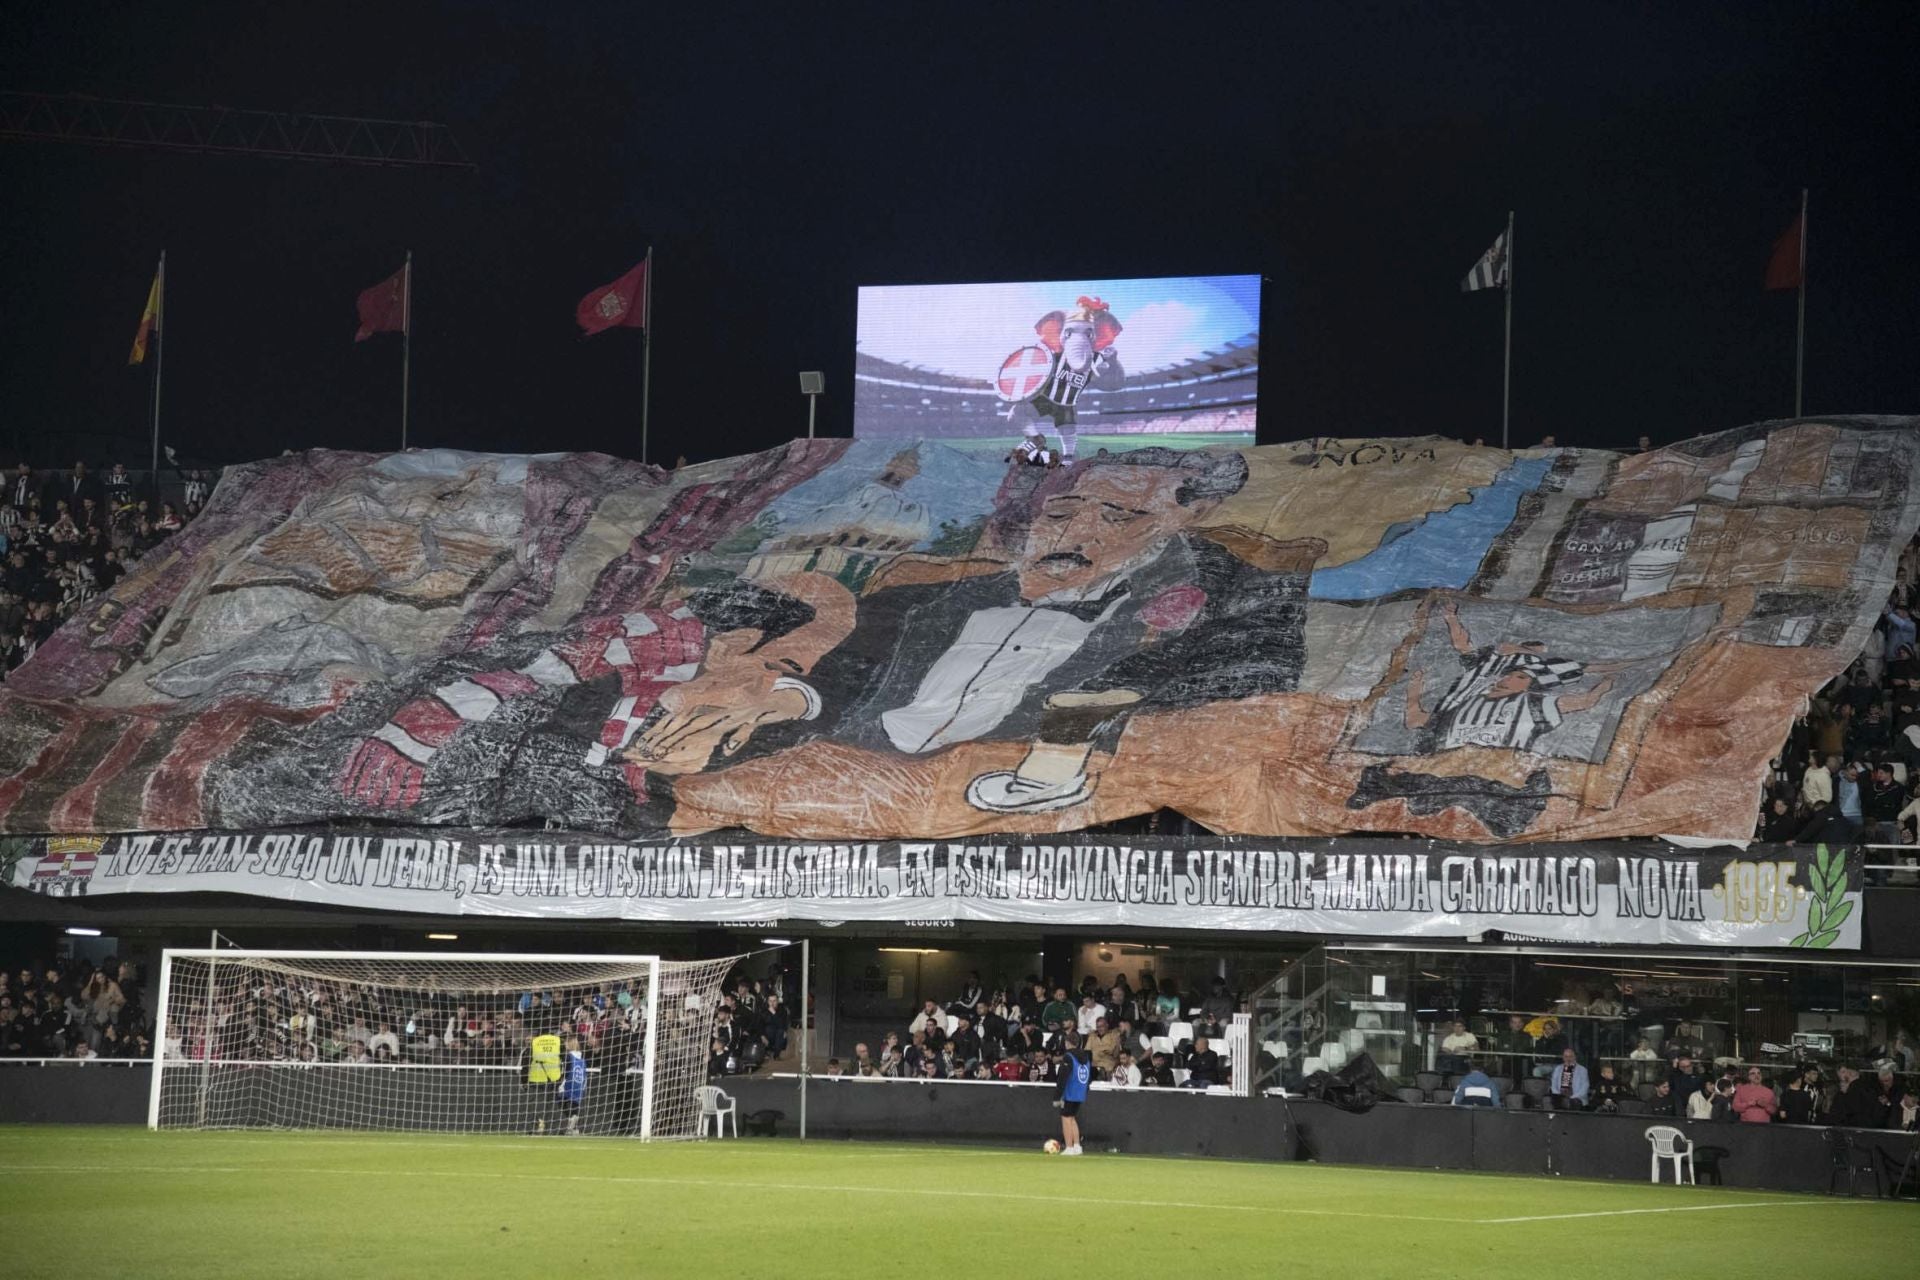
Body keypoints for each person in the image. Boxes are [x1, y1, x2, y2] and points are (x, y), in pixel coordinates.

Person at [1053, 1032, 1092, 1156]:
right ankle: (1077, 1146)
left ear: (1067, 1042)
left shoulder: (1068, 1056)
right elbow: (1089, 1076)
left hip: (1070, 1091)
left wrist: (1057, 1096)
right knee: (1072, 1117)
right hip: (1080, 1092)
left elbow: (1063, 1077)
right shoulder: (1086, 1057)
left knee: (1065, 1118)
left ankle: (1069, 1147)